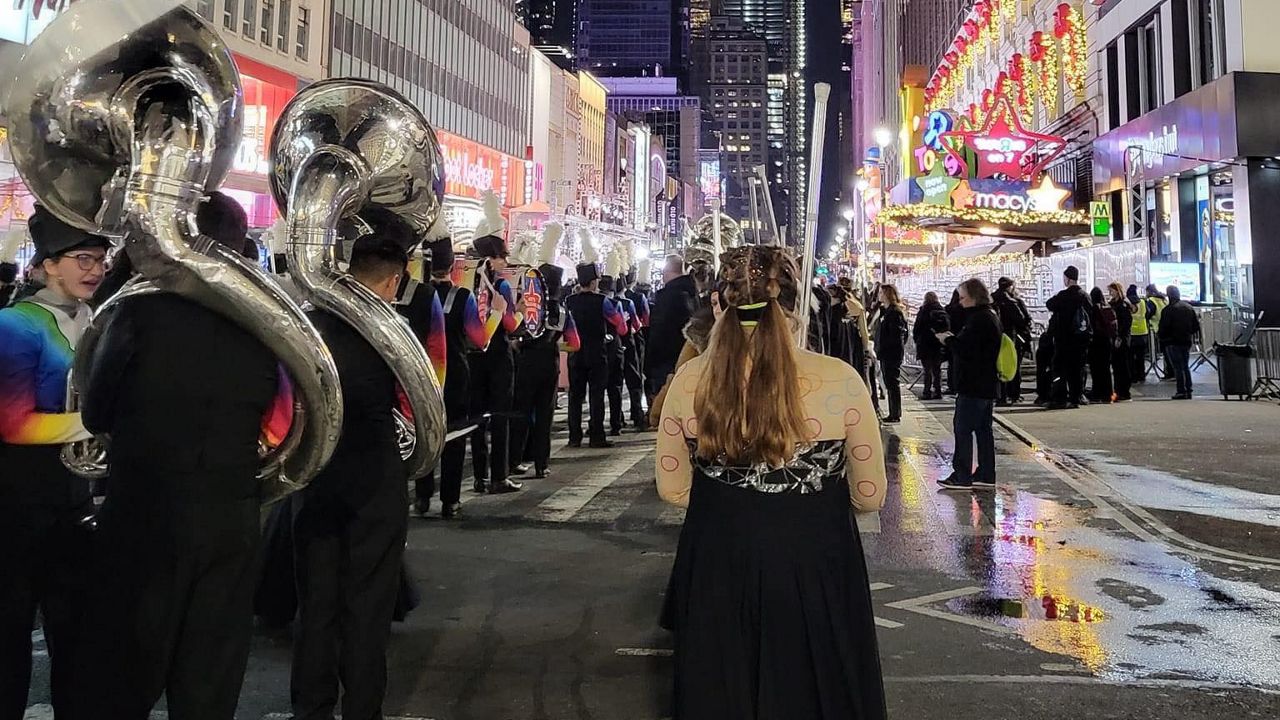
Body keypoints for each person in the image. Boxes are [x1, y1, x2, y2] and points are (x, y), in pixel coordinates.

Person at [75, 193, 288, 719]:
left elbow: (96, 411)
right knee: (210, 677)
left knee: (129, 668)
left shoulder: (136, 311)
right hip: (230, 512)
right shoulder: (266, 325)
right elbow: (286, 420)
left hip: (143, 509)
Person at [656, 245, 887, 720]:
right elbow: (871, 494)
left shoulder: (688, 383)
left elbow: (672, 489)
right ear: (796, 304)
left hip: (719, 561)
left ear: (720, 303)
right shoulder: (840, 380)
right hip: (816, 563)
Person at [290, 235, 412, 720]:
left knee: (316, 604)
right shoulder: (391, 331)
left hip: (315, 472)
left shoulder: (306, 325)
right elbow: (423, 396)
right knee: (368, 606)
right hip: (375, 476)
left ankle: (310, 708)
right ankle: (362, 709)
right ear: (393, 279)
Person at [0, 207, 106, 719]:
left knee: (77, 642)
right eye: (82, 258)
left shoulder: (94, 317)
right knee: (9, 640)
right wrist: (97, 426)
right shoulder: (16, 324)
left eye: (101, 260)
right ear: (45, 265)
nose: (94, 269)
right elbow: (13, 425)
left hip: (74, 506)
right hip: (18, 509)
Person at [419, 237, 504, 518]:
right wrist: (497, 315)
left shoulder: (416, 295)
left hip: (421, 374)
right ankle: (449, 501)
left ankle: (421, 497)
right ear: (453, 265)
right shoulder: (461, 296)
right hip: (454, 374)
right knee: (453, 436)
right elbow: (480, 339)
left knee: (424, 432)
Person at [509, 261, 579, 480]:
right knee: (544, 416)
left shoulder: (529, 308)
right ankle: (542, 465)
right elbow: (575, 343)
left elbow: (514, 332)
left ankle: (514, 460)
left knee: (520, 413)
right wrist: (555, 346)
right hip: (550, 366)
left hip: (526, 365)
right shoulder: (562, 311)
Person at [468, 234, 524, 494]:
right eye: (503, 256)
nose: (506, 262)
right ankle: (499, 477)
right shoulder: (500, 286)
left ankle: (479, 476)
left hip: (474, 357)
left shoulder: (468, 287)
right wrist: (521, 310)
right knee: (501, 416)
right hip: (499, 356)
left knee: (477, 417)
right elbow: (511, 325)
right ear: (492, 258)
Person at [937, 278, 1003, 491]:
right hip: (986, 383)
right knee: (984, 430)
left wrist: (947, 340)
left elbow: (968, 351)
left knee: (963, 428)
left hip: (973, 384)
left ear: (974, 297)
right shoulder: (990, 315)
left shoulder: (978, 320)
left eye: (963, 298)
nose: (960, 302)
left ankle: (962, 474)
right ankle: (985, 473)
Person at [565, 258, 629, 448]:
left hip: (575, 354)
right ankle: (596, 436)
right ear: (594, 282)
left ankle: (574, 436)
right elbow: (621, 326)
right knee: (596, 395)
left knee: (575, 397)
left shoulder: (569, 301)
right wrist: (622, 318)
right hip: (597, 354)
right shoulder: (603, 301)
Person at [645, 254, 697, 399]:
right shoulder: (693, 294)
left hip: (665, 362)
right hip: (687, 358)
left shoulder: (668, 297)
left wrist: (649, 365)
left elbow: (658, 333)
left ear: (666, 272)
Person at [1046, 266, 1091, 409]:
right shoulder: (1085, 296)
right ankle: (1075, 397)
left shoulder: (1063, 296)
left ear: (1067, 279)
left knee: (1059, 369)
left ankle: (1059, 398)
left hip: (1064, 340)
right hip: (1081, 340)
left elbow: (1050, 304)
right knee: (1077, 370)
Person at [992, 277, 1032, 405]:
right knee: (1012, 365)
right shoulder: (1011, 301)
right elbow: (1021, 319)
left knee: (998, 366)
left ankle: (999, 395)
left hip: (995, 337)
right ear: (1009, 287)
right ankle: (1013, 394)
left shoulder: (991, 299)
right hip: (1010, 337)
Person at [1158, 285, 1200, 400]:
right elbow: (1196, 326)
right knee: (1185, 366)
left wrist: (1162, 338)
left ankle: (1181, 390)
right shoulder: (1188, 307)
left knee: (1177, 367)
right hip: (1186, 340)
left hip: (1172, 341)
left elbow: (1163, 328)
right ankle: (1188, 389)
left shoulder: (1168, 310)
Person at [875, 284, 908, 423]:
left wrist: (887, 348)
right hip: (886, 353)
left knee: (892, 383)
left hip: (891, 354)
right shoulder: (886, 311)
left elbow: (897, 336)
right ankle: (893, 411)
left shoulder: (894, 312)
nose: (879, 295)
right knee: (889, 382)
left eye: (881, 293)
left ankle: (895, 413)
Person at [913, 291, 949, 400]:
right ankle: (938, 392)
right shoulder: (942, 309)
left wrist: (917, 340)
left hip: (925, 344)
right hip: (938, 343)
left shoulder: (923, 310)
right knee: (937, 369)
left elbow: (917, 327)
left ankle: (927, 392)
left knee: (927, 369)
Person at [1086, 287, 1117, 403]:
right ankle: (1108, 394)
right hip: (1107, 341)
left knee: (1096, 370)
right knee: (1105, 369)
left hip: (1096, 342)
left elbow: (1091, 326)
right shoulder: (1108, 308)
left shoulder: (1093, 309)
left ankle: (1097, 393)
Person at [1108, 282, 1134, 401]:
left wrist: (1120, 337)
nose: (1110, 293)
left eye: (1111, 291)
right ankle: (1118, 390)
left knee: (1123, 365)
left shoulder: (1122, 305)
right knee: (1117, 365)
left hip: (1122, 338)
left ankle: (1124, 391)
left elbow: (1126, 323)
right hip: (1115, 337)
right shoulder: (1113, 303)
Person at [1145, 284, 1169, 380]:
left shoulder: (1152, 301)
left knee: (1166, 352)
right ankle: (1170, 372)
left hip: (1157, 327)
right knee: (1168, 352)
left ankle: (1168, 373)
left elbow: (1149, 314)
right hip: (1167, 327)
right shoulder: (1163, 300)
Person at [1127, 284, 1150, 383]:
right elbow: (1147, 314)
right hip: (1143, 332)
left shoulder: (1127, 302)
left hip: (1131, 333)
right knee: (1141, 357)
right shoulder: (1143, 302)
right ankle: (1141, 375)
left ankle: (1133, 376)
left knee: (1130, 357)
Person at [944, 289, 965, 395]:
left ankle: (951, 386)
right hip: (962, 338)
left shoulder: (948, 309)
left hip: (950, 337)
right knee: (960, 364)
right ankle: (958, 385)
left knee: (951, 364)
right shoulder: (965, 309)